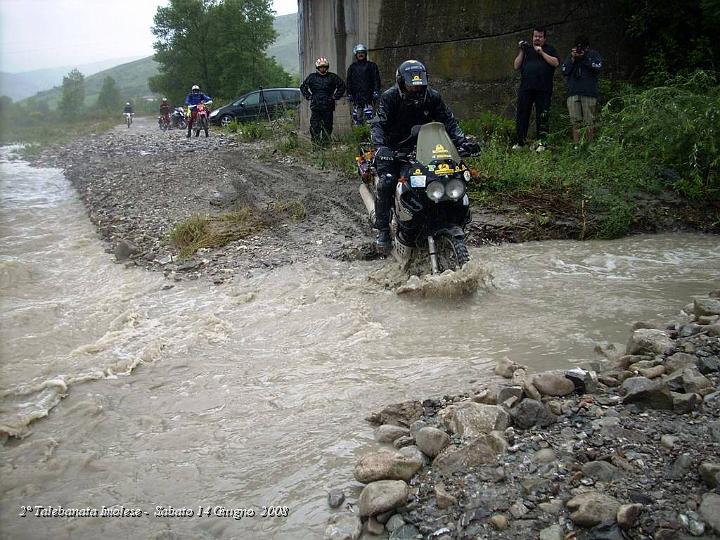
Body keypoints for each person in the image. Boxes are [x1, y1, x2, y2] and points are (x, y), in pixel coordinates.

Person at [371, 59, 471, 249]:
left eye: (419, 86)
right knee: (387, 181)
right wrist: (380, 147)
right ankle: (383, 229)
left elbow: (449, 122)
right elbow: (378, 124)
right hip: (394, 151)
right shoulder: (390, 97)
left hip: (425, 150)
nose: (415, 90)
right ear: (401, 83)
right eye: (411, 86)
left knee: (449, 176)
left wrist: (462, 142)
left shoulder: (433, 97)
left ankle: (449, 219)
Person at [512, 26, 561, 151]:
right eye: (535, 36)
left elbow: (556, 63)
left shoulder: (550, 49)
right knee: (522, 114)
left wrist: (542, 52)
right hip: (526, 88)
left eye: (539, 36)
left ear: (544, 38)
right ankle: (520, 142)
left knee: (542, 115)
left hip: (543, 89)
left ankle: (542, 143)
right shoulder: (527, 50)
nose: (537, 39)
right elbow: (516, 65)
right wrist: (521, 51)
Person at [561, 35, 603, 146]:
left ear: (587, 47)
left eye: (582, 48)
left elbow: (598, 67)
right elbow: (564, 70)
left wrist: (584, 58)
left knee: (589, 121)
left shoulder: (593, 55)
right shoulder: (571, 57)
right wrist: (573, 59)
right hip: (573, 93)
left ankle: (589, 146)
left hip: (589, 93)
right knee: (575, 122)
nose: (580, 50)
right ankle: (576, 146)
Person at [300, 57, 346, 144]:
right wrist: (308, 96)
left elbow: (342, 85)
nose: (323, 69)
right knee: (314, 126)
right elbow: (303, 87)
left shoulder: (332, 77)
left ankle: (326, 145)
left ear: (327, 67)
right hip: (316, 105)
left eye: (324, 67)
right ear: (318, 68)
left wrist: (335, 96)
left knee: (328, 126)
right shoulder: (312, 77)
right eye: (321, 67)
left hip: (328, 105)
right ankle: (316, 145)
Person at [346, 43, 381, 125]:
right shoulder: (352, 67)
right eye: (359, 53)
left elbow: (376, 79)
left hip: (368, 98)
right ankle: (359, 137)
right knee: (357, 119)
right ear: (356, 54)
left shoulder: (372, 65)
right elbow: (348, 81)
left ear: (365, 54)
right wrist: (349, 93)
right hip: (356, 98)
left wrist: (376, 91)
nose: (360, 54)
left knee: (370, 119)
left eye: (362, 52)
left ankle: (370, 136)